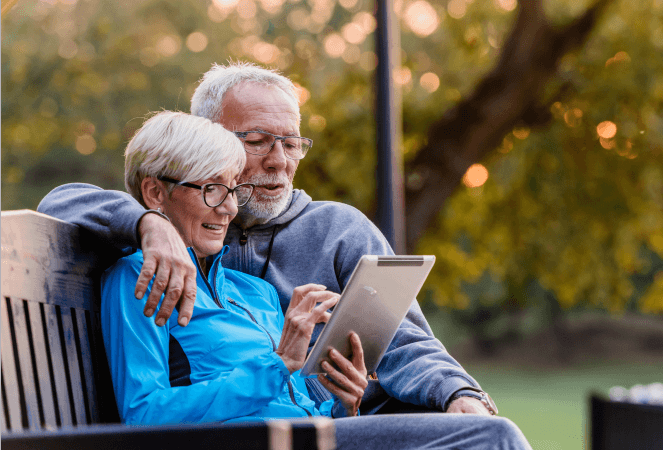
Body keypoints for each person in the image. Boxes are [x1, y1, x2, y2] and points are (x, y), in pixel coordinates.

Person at [38, 61, 493, 416]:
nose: (279, 161)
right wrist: (148, 224)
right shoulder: (178, 223)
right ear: (212, 143)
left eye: (291, 142)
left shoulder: (336, 231)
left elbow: (405, 341)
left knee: (484, 431)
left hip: (353, 421)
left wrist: (457, 394)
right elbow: (62, 201)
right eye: (257, 141)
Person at [104, 110, 532, 450]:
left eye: (231, 189)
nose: (228, 209)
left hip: (308, 438)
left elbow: (299, 400)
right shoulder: (137, 280)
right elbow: (144, 415)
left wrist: (341, 399)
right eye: (211, 190)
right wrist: (279, 364)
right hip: (255, 444)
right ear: (155, 193)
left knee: (485, 433)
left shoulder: (253, 291)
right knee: (490, 440)